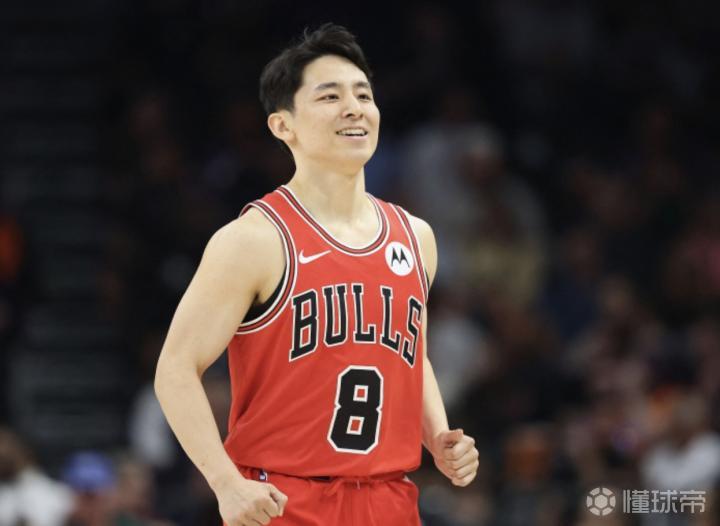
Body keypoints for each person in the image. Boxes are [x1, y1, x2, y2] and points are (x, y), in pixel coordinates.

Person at [154, 23, 479, 526]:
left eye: (363, 95)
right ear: (282, 125)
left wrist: (437, 434)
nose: (354, 108)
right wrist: (225, 482)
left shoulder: (416, 237)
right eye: (330, 96)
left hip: (390, 500)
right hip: (285, 501)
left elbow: (408, 355)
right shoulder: (254, 240)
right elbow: (175, 370)